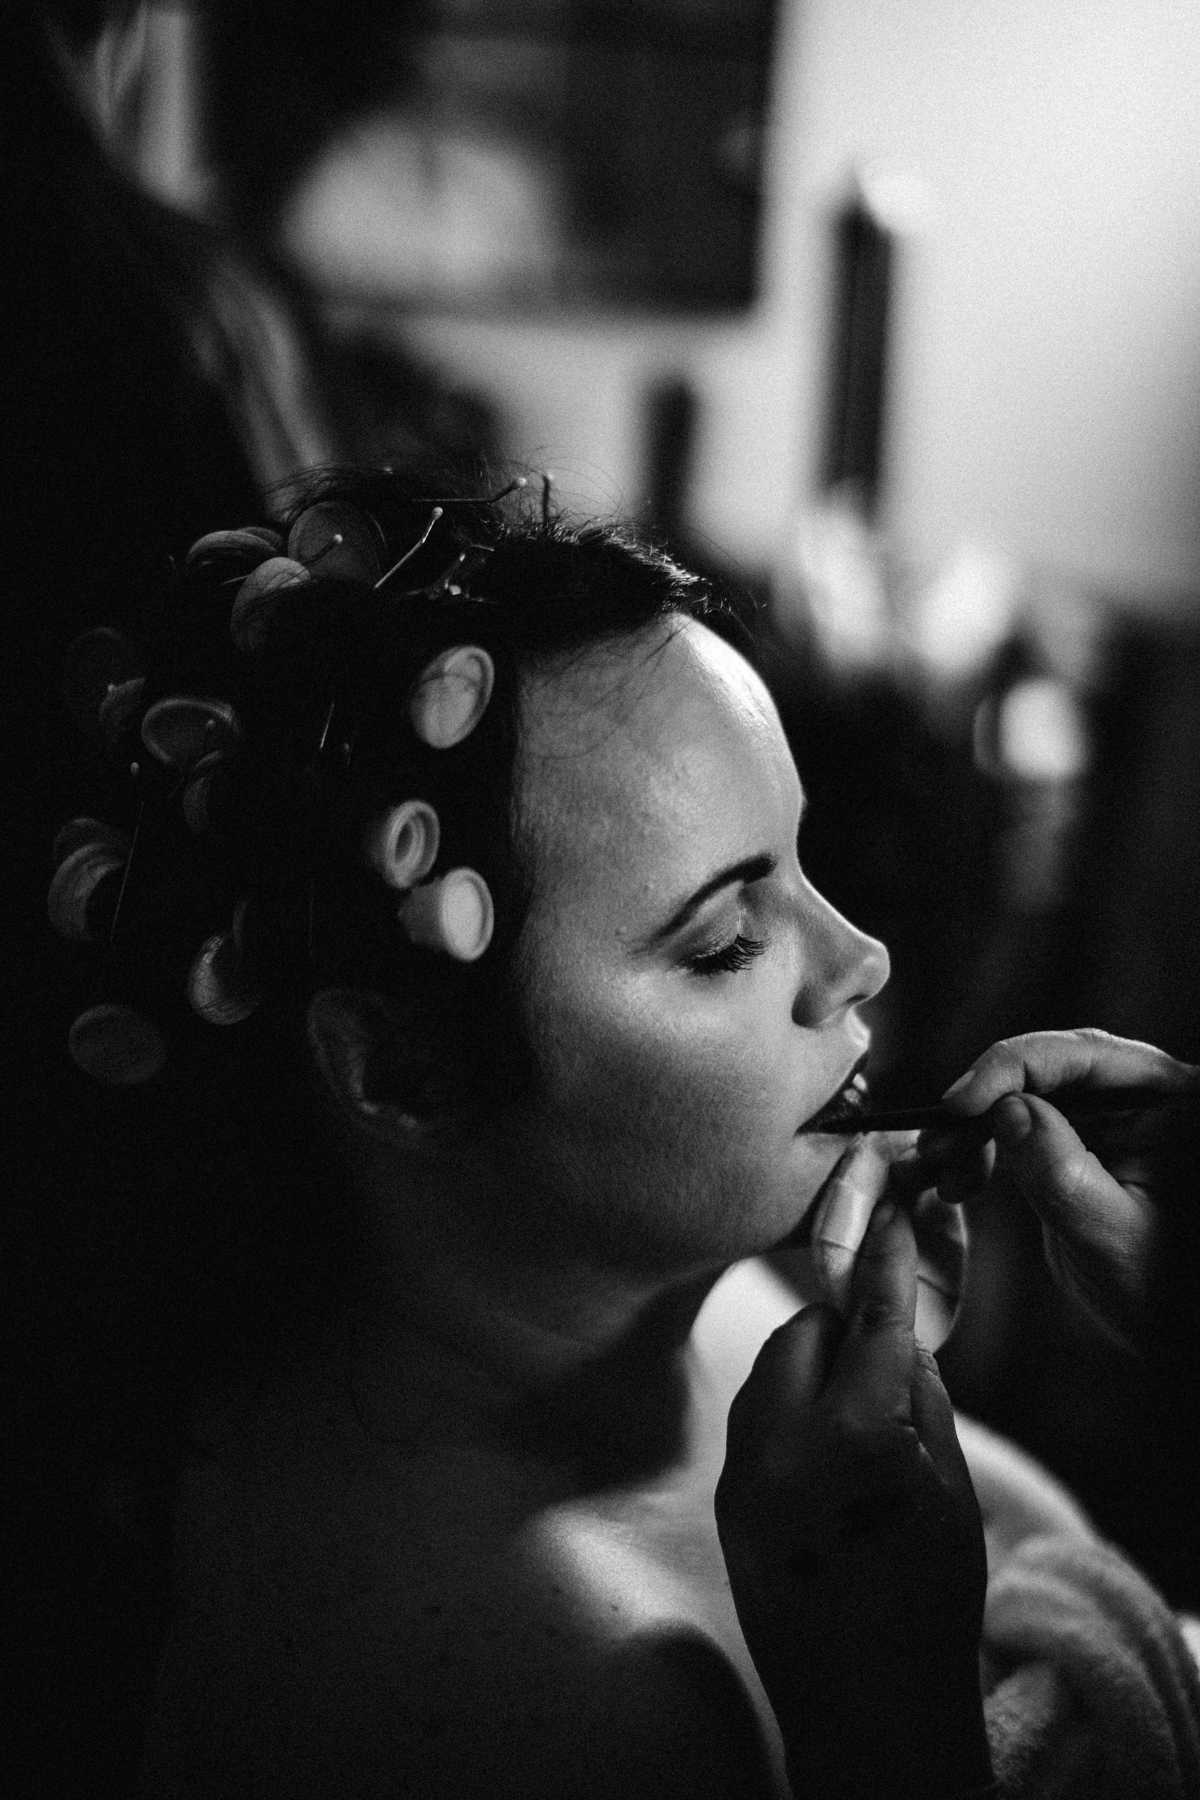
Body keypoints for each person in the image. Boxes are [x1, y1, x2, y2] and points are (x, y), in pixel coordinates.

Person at [49, 469, 1200, 1797]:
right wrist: (891, 1737)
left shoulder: (653, 1292)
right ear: (402, 1069)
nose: (863, 960)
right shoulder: (543, 1709)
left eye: (802, 861)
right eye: (725, 941)